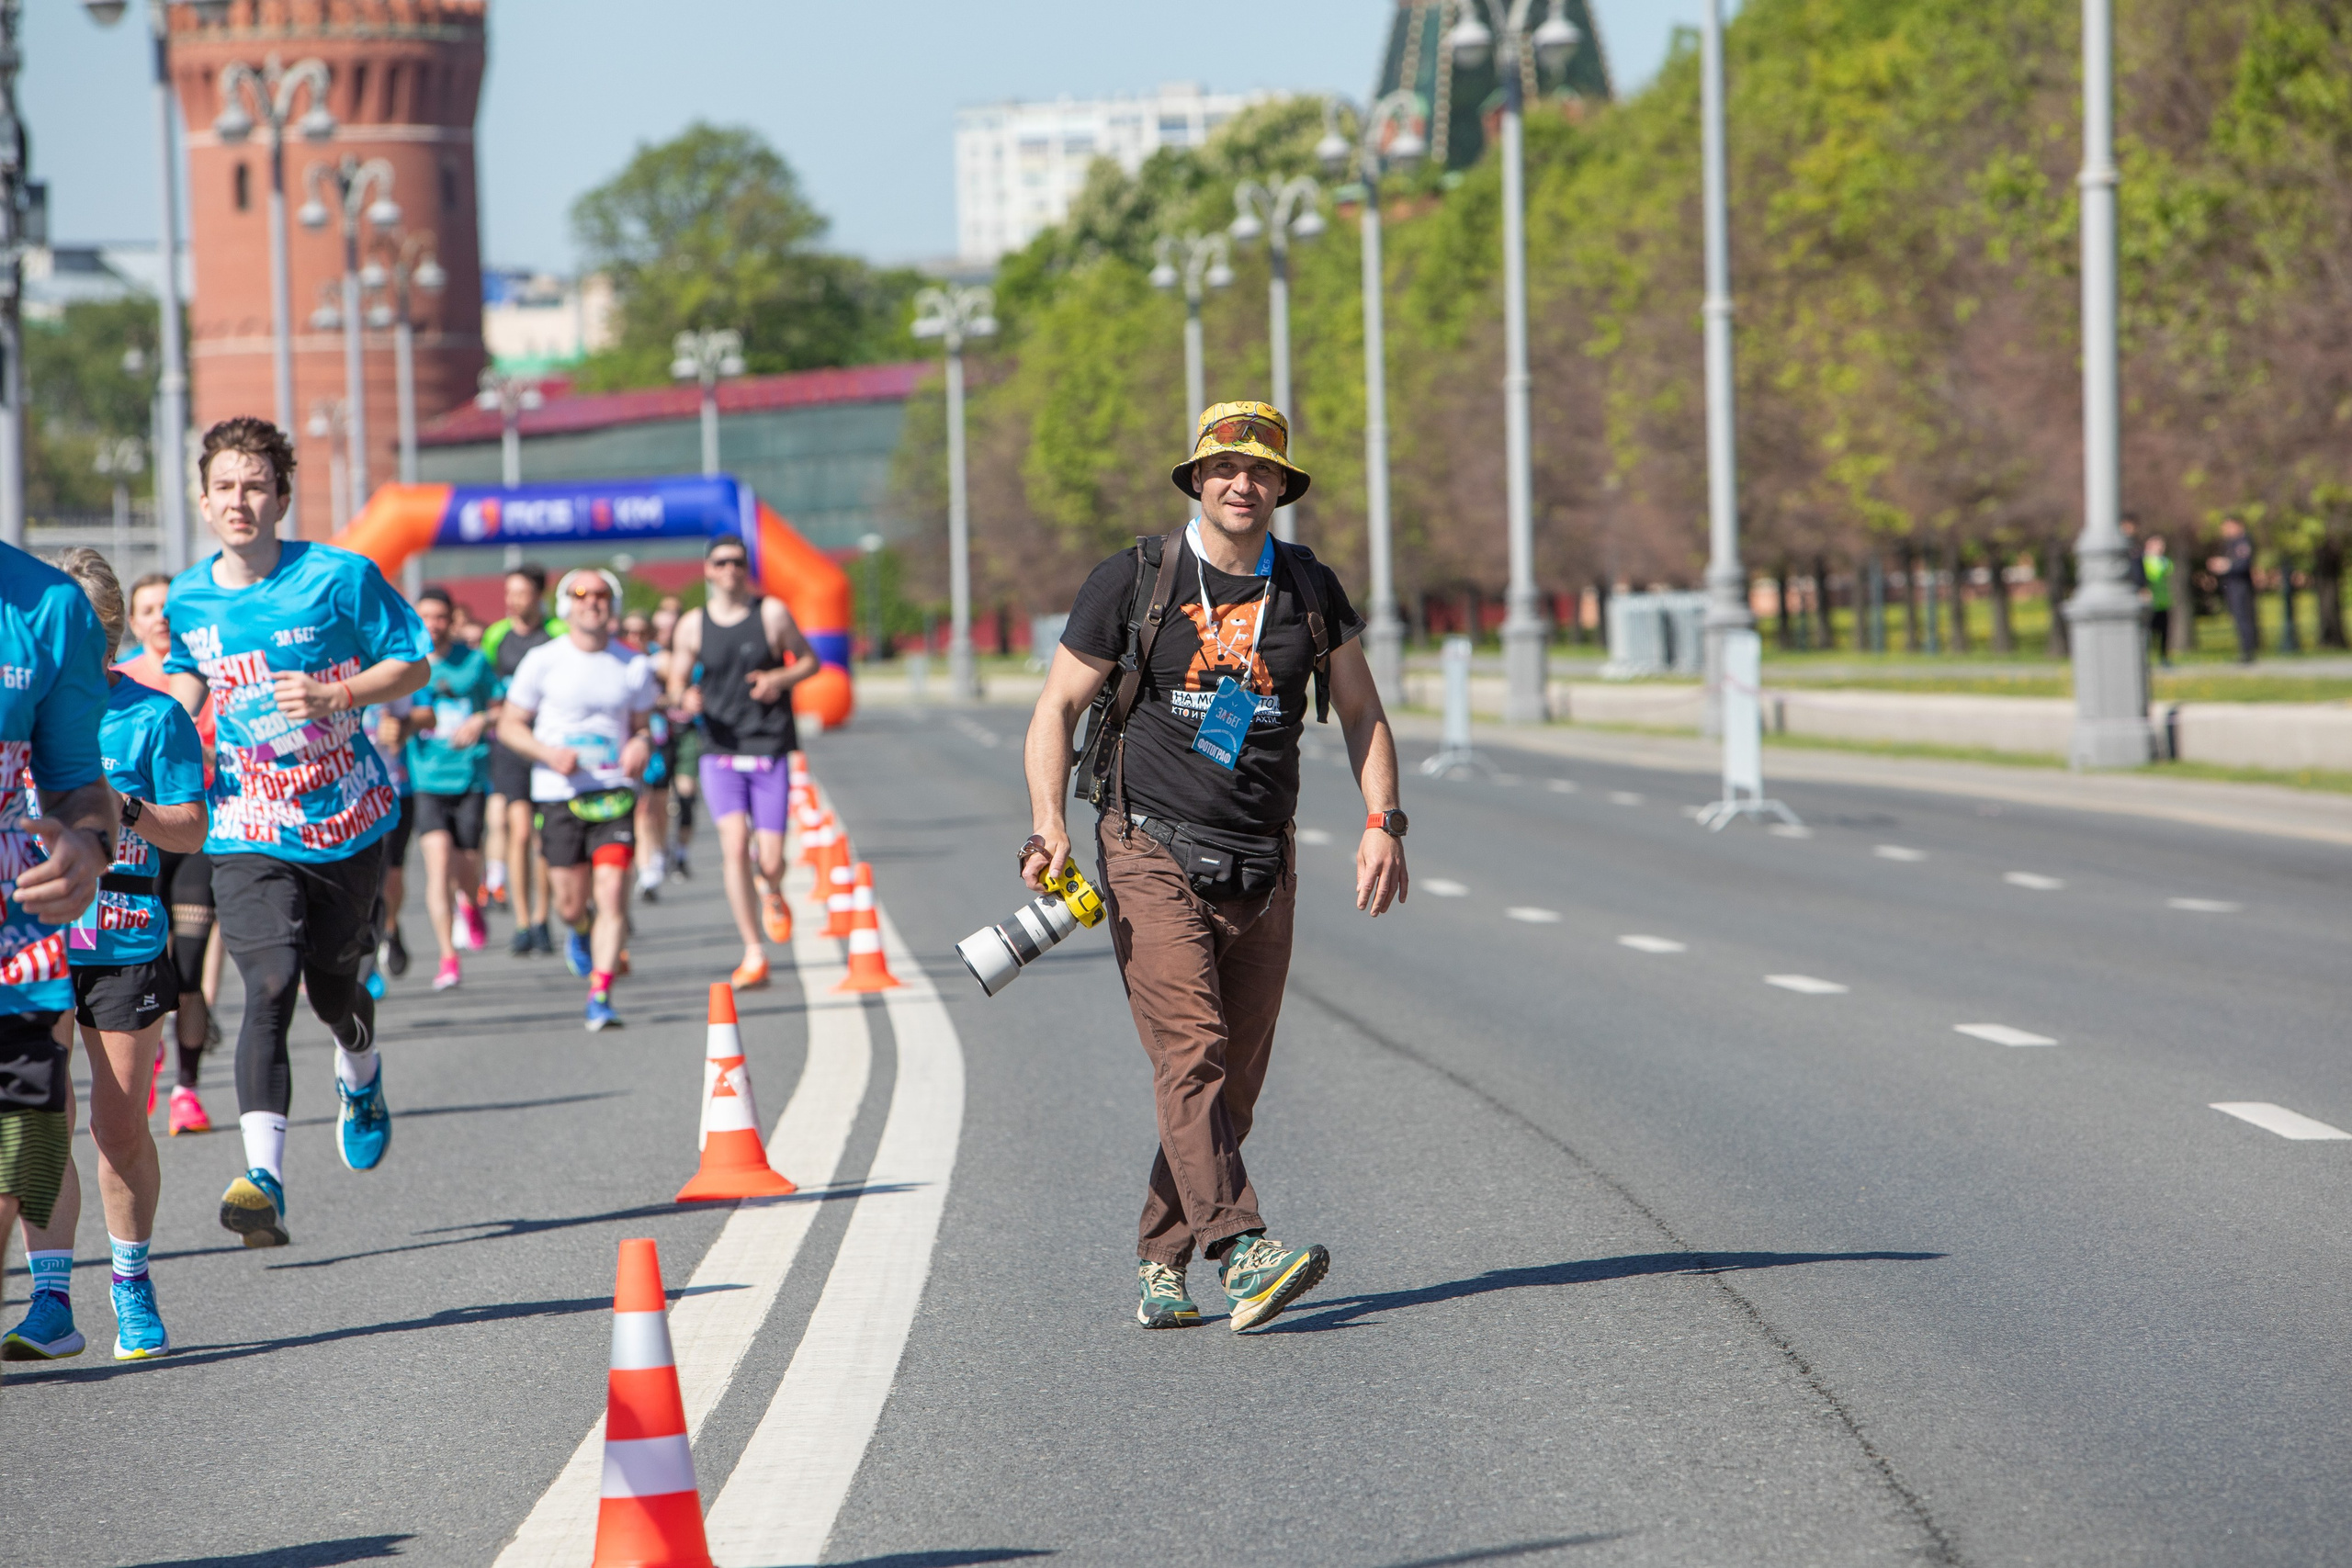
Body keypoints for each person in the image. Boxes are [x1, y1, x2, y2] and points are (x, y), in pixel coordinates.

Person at [1022, 401, 1408, 1334]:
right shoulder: (1137, 578)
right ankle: (1242, 1252)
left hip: (1262, 863)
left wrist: (1382, 821)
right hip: (1149, 845)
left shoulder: (1308, 589)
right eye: (1225, 469)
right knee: (1189, 1050)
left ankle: (1162, 1258)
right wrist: (1049, 824)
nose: (1243, 483)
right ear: (1197, 479)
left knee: (1229, 1084)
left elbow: (1360, 709)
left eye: (1262, 472)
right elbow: (1055, 706)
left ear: (1281, 487)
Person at [164, 417, 431, 1249]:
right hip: (247, 822)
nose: (239, 500)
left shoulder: (340, 577)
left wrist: (336, 696)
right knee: (268, 983)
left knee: (332, 993)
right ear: (202, 501)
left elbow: (413, 662)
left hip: (346, 821)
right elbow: (186, 682)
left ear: (281, 495)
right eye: (224, 487)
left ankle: (361, 1070)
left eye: (255, 485)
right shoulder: (187, 597)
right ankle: (263, 1178)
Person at [5, 550, 207, 1362]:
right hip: (38, 942)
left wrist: (125, 811)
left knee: (118, 1125)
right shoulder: (22, 711)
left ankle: (131, 1281)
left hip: (123, 943)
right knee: (37, 1120)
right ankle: (51, 1298)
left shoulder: (154, 717)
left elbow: (192, 829)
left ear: (110, 633)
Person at [0, 537, 116, 1367]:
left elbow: (79, 783)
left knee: (27, 1134)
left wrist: (88, 843)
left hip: (15, 938)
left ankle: (52, 1289)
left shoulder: (49, 605)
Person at [498, 570, 656, 1032]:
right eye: (582, 595)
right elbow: (509, 725)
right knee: (571, 904)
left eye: (602, 595)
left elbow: (645, 725)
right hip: (558, 795)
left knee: (611, 894)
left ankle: (600, 992)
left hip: (613, 794)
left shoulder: (633, 664)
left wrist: (642, 743)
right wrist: (548, 753)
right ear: (567, 605)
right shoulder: (543, 661)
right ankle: (580, 931)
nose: (593, 602)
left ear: (614, 604)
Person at [667, 537, 820, 990]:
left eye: (738, 562)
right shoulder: (693, 625)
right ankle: (753, 951)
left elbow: (810, 661)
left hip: (768, 747)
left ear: (746, 569)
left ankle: (771, 888)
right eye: (722, 562)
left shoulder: (770, 614)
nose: (731, 569)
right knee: (734, 846)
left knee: (770, 859)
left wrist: (778, 676)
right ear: (708, 570)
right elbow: (676, 680)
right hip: (719, 750)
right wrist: (683, 697)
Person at [119, 571, 222, 1135]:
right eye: (149, 609)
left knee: (188, 965)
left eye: (168, 608)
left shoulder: (208, 678)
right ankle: (148, 1039)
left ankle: (187, 1086)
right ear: (132, 622)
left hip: (192, 833)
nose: (160, 617)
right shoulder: (122, 682)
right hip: (133, 847)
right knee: (147, 966)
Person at [403, 589, 495, 990]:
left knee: (466, 865)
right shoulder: (404, 666)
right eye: (426, 616)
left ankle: (471, 903)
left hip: (469, 776)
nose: (433, 624)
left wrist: (481, 720)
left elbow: (501, 704)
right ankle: (447, 957)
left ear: (451, 620)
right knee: (438, 864)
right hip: (425, 779)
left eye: (440, 617)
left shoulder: (473, 662)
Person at [481, 565, 561, 955]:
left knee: (544, 837)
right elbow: (488, 690)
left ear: (539, 596)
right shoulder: (497, 636)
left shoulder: (557, 635)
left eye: (522, 593)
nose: (514, 600)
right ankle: (522, 920)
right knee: (520, 831)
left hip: (548, 745)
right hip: (511, 745)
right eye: (509, 592)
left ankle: (544, 917)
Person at [364, 695, 420, 998]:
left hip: (393, 793)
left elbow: (425, 713)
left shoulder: (391, 665)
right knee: (366, 885)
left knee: (388, 881)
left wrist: (402, 726)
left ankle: (390, 929)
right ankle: (365, 964)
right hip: (348, 797)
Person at [2209, 516, 2258, 663]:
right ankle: (2245, 650)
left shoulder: (2243, 541)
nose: (2225, 531)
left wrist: (2226, 565)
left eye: (2228, 527)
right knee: (2238, 619)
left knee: (2244, 618)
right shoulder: (2230, 543)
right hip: (2232, 586)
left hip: (2240, 586)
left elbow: (2242, 564)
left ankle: (2248, 652)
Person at [2143, 535, 2176, 668]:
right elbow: (2155, 574)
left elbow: (2170, 568)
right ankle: (2146, 659)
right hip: (2151, 603)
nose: (2161, 548)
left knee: (2164, 633)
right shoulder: (2146, 561)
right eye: (2157, 545)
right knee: (2149, 632)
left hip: (2164, 601)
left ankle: (2164, 658)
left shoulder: (2164, 561)